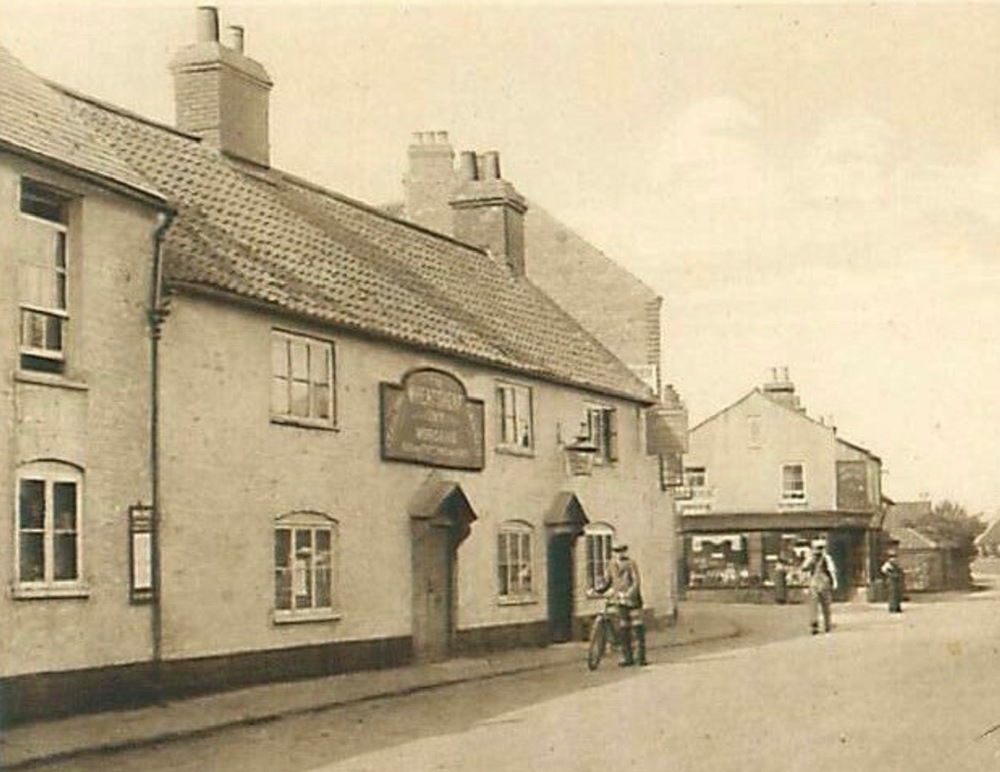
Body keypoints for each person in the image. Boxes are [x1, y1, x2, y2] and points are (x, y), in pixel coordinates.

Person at [596, 543, 647, 666]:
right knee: (624, 629)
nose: (619, 554)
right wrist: (598, 590)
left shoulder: (631, 564)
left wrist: (629, 594)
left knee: (637, 628)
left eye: (621, 551)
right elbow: (608, 582)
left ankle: (641, 657)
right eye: (616, 551)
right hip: (620, 602)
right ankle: (627, 658)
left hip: (633, 601)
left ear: (625, 552)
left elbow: (636, 582)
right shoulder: (611, 565)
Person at [800, 541, 838, 634]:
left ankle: (825, 624)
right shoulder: (814, 558)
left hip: (819, 582)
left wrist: (834, 581)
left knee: (824, 604)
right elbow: (804, 568)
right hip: (818, 583)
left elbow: (831, 570)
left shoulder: (826, 558)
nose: (818, 551)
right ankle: (817, 624)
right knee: (818, 604)